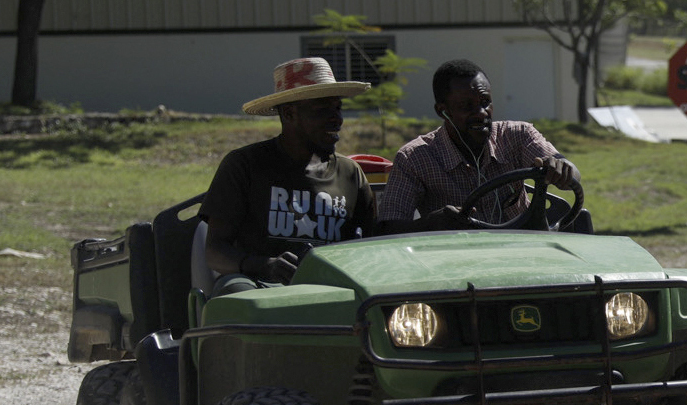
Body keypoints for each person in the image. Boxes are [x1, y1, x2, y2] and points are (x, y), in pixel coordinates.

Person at [202, 57, 377, 295]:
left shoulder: (350, 173)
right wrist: (264, 266)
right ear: (289, 114)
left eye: (337, 108)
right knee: (235, 293)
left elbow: (373, 243)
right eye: (323, 109)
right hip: (260, 287)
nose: (337, 118)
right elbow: (214, 251)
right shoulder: (245, 164)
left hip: (335, 289)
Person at [376, 59, 579, 232]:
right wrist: (430, 224)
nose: (481, 112)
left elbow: (570, 171)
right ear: (442, 111)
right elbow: (388, 228)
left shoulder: (518, 135)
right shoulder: (414, 158)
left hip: (524, 251)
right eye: (467, 106)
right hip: (458, 262)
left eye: (485, 102)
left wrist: (564, 171)